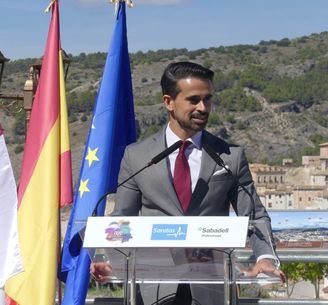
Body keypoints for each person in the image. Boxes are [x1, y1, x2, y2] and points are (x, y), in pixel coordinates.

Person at [92, 62, 284, 304]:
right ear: (168, 102)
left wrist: (265, 258)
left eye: (208, 99)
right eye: (193, 100)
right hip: (154, 289)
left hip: (214, 288)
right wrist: (117, 265)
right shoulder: (137, 156)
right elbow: (123, 219)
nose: (203, 108)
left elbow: (254, 215)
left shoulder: (230, 157)